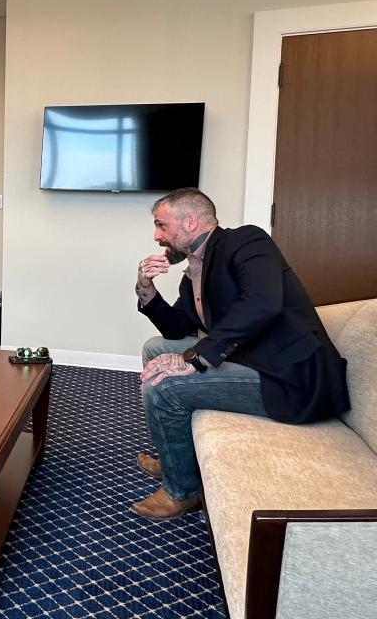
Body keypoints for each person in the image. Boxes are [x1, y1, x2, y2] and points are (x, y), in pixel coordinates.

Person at [132, 187, 349, 519]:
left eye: (161, 225)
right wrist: (145, 290)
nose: (157, 236)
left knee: (163, 387)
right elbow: (176, 329)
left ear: (190, 222)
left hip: (290, 378)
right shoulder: (193, 273)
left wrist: (195, 359)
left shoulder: (245, 241)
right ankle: (175, 456)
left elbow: (263, 303)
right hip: (250, 360)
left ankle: (182, 491)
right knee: (155, 348)